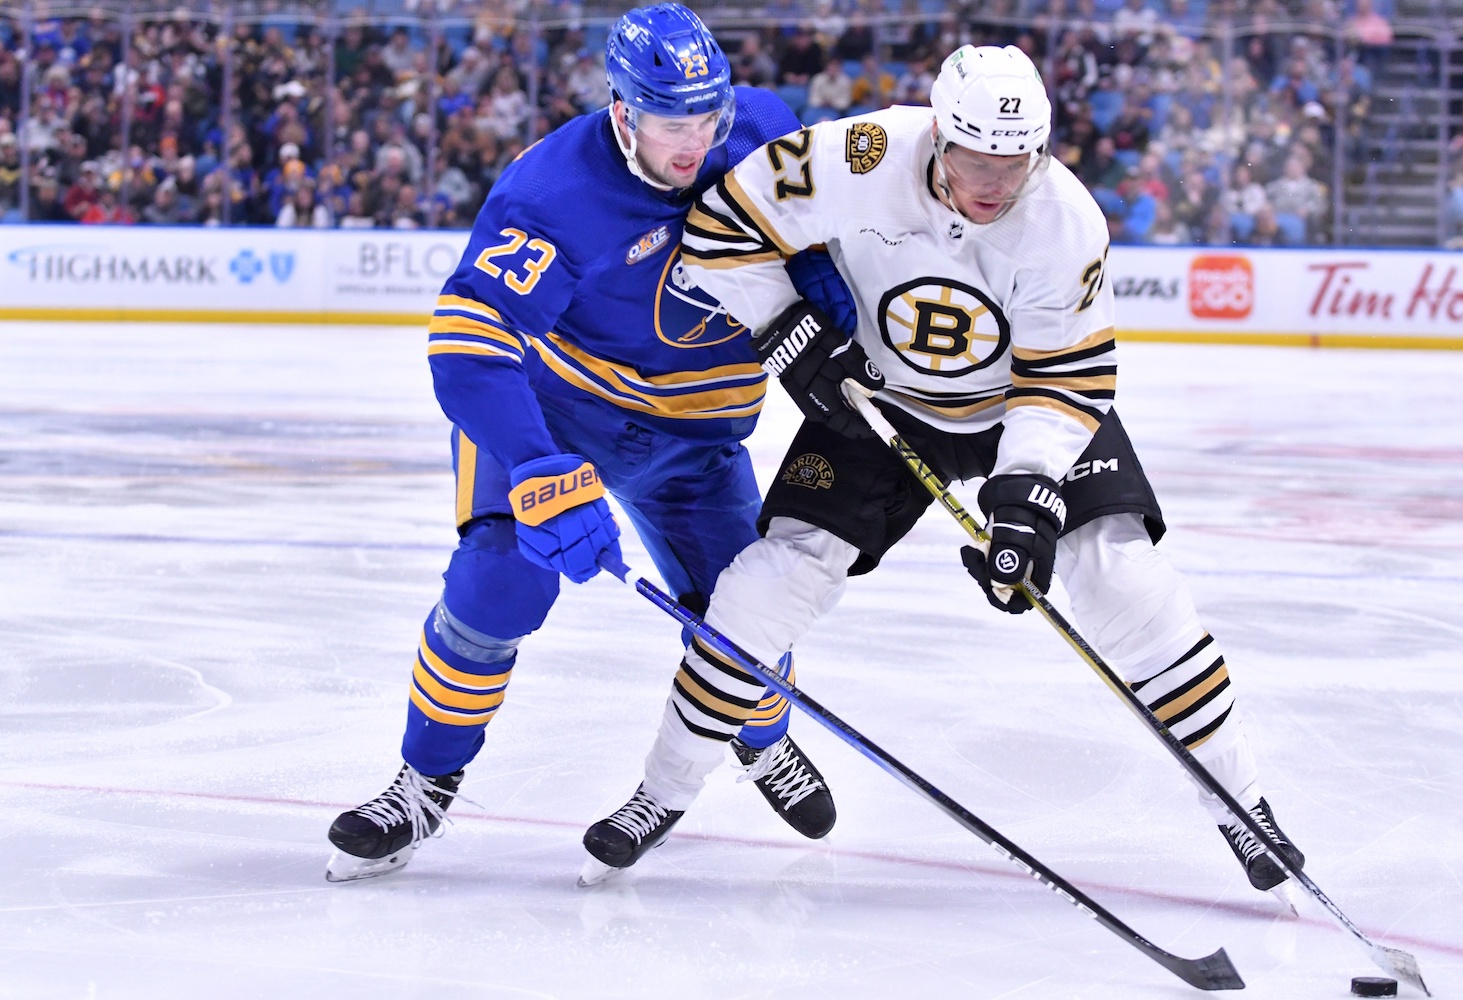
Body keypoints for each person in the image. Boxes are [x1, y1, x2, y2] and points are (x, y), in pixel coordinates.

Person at [601, 43, 1306, 896]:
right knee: (765, 587)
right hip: (880, 399)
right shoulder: (860, 154)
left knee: (1125, 580)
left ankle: (1244, 805)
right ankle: (661, 791)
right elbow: (720, 227)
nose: (996, 181)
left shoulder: (1067, 221)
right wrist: (783, 326)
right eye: (976, 157)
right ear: (939, 133)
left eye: (1016, 161)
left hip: (1017, 404)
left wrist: (1027, 500)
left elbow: (1065, 377)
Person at [324, 4, 841, 884]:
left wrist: (842, 328)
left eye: (706, 117)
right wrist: (533, 465)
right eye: (672, 123)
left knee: (746, 618)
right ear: (623, 110)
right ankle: (423, 783)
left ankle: (764, 736)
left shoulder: (760, 134)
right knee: (495, 582)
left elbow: (826, 244)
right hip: (560, 421)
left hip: (698, 437)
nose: (695, 143)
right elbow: (467, 346)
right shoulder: (551, 191)